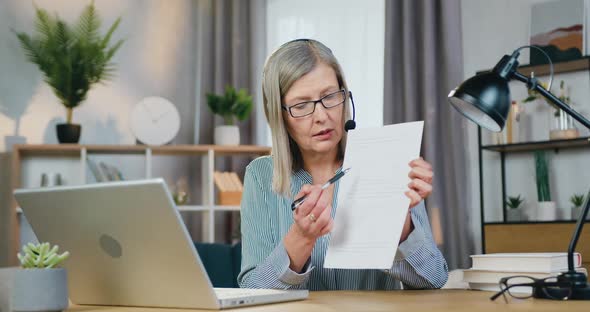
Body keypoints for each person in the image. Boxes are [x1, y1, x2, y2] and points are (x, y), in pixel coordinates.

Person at [237, 39, 448, 290]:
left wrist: (399, 222)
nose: (322, 116)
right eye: (301, 105)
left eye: (329, 97)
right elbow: (253, 290)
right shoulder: (261, 176)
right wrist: (301, 238)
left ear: (344, 96)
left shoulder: (386, 160)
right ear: (279, 114)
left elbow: (434, 279)